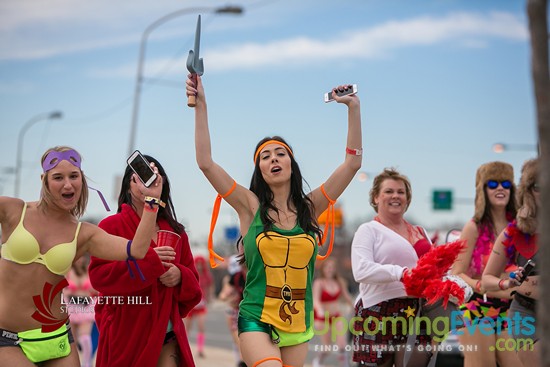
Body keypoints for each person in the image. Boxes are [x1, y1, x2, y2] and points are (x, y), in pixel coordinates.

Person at [186, 74, 362, 367]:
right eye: (265, 157)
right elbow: (205, 162)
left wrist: (353, 109)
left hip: (297, 321)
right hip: (256, 317)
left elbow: (352, 163)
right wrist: (201, 104)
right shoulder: (249, 205)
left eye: (280, 153)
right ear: (260, 170)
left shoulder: (311, 206)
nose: (273, 159)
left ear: (292, 164)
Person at [0, 145, 162, 366]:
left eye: (74, 176)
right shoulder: (13, 210)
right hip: (8, 339)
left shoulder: (84, 233)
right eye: (58, 177)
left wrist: (151, 202)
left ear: (81, 179)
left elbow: (137, 250)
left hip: (56, 337)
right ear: (44, 180)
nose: (68, 184)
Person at [88, 155, 202, 367]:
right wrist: (150, 264)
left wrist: (180, 276)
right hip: (125, 336)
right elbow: (99, 278)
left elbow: (194, 290)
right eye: (138, 177)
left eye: (152, 175)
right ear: (128, 185)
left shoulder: (175, 231)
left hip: (167, 334)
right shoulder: (110, 227)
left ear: (162, 182)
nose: (146, 181)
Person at [350, 168, 433, 367]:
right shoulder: (368, 230)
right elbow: (361, 270)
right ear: (376, 197)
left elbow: (434, 268)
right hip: (379, 311)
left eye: (400, 192)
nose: (395, 196)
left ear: (407, 198)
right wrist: (400, 273)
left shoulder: (420, 231)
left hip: (417, 310)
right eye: (388, 191)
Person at [450, 161, 520, 367]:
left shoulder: (520, 227)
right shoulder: (473, 228)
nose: (500, 188)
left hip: (512, 308)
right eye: (493, 184)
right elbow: (457, 273)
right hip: (478, 307)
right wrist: (480, 285)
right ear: (483, 190)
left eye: (506, 184)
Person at [482, 158, 540, 367]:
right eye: (539, 187)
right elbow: (487, 280)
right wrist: (507, 284)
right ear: (528, 192)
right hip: (526, 313)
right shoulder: (514, 232)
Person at [312, 258, 354, 367]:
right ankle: (318, 361)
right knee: (327, 347)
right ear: (323, 269)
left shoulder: (339, 281)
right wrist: (320, 310)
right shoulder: (319, 282)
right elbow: (315, 300)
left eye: (332, 267)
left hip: (337, 316)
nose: (330, 270)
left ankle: (345, 365)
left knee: (342, 344)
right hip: (323, 318)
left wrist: (355, 306)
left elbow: (347, 297)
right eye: (327, 267)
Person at [64, 254, 96, 367]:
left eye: (82, 257)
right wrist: (68, 291)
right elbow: (61, 288)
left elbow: (95, 289)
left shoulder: (88, 270)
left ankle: (87, 363)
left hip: (86, 307)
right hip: (71, 307)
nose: (80, 260)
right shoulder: (68, 271)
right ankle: (72, 363)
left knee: (85, 337)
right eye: (78, 257)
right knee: (72, 339)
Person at [219, 254, 248, 367]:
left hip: (253, 312)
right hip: (237, 311)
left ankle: (243, 361)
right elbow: (224, 294)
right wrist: (228, 297)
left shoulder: (257, 276)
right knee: (239, 342)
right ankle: (241, 362)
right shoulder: (235, 277)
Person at [184, 254, 214, 358]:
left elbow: (210, 287)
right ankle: (183, 349)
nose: (200, 266)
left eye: (201, 264)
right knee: (187, 328)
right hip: (191, 305)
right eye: (198, 264)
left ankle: (200, 349)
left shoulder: (207, 276)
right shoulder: (191, 273)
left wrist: (210, 298)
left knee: (201, 327)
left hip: (201, 305)